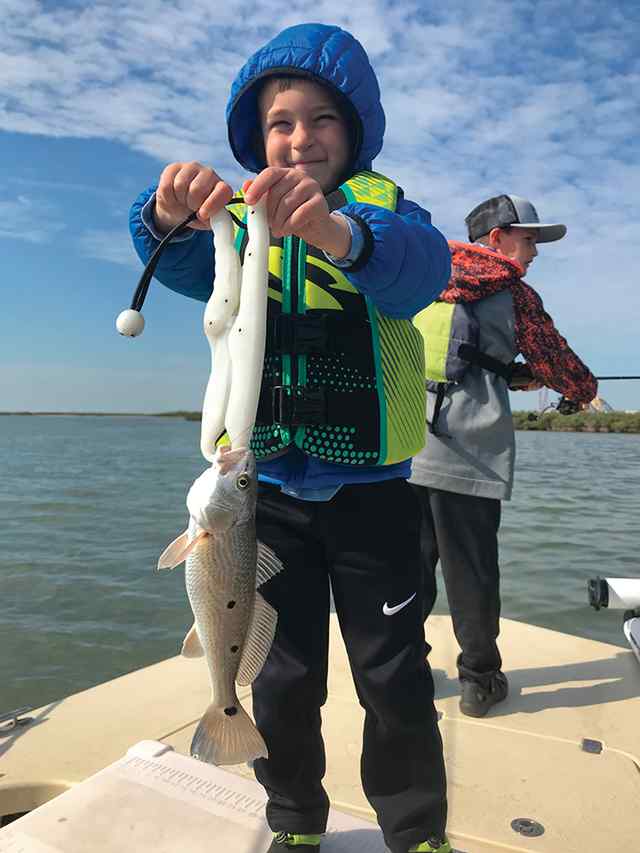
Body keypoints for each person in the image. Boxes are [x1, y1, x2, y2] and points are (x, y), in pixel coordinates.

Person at [129, 23, 452, 853]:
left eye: (321, 120)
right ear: (257, 135)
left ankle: (415, 832)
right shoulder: (237, 224)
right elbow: (181, 264)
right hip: (261, 498)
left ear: (355, 133)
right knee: (280, 676)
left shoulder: (391, 217)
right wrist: (165, 214)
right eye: (280, 122)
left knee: (395, 677)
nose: (300, 138)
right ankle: (295, 821)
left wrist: (339, 234)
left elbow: (423, 271)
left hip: (375, 497)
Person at [410, 194, 597, 718]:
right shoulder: (516, 295)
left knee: (409, 573)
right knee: (472, 575)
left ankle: (409, 671)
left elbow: (444, 355)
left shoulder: (420, 279)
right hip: (468, 458)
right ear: (497, 238)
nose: (535, 251)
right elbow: (563, 367)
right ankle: (480, 681)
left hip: (404, 453)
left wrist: (506, 372)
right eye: (530, 238)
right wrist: (583, 390)